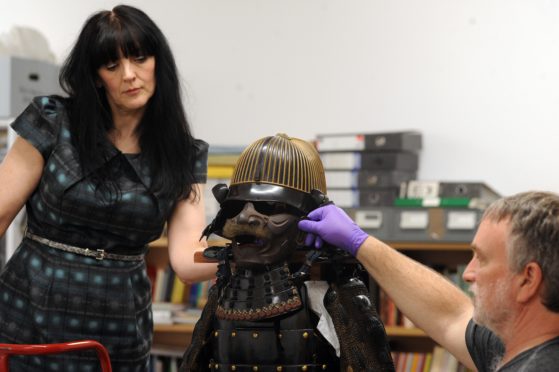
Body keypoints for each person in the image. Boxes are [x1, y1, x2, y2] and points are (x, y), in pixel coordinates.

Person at [0, 5, 215, 371]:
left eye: (139, 58)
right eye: (111, 65)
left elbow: (184, 258)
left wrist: (248, 252)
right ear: (96, 76)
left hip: (120, 329)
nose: (129, 75)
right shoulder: (53, 121)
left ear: (157, 61)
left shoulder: (182, 153)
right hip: (28, 316)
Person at [180, 133, 395, 371]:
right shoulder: (224, 288)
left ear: (309, 217)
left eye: (269, 207)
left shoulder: (326, 289)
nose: (243, 217)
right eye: (236, 206)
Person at [298, 191, 559, 371]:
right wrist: (358, 242)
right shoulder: (515, 344)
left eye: (482, 258)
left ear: (528, 280)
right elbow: (452, 315)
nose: (468, 273)